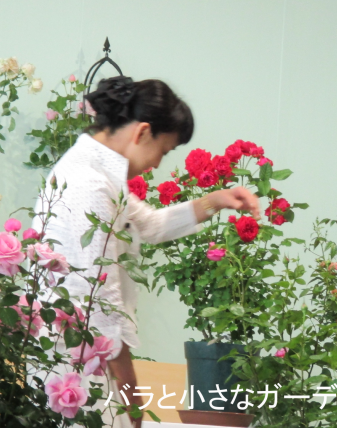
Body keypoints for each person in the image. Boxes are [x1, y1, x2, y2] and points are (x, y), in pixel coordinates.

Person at [32, 76, 260, 428]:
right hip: (78, 364)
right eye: (163, 151)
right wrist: (132, 399)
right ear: (142, 132)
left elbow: (150, 224)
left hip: (84, 357)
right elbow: (101, 307)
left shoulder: (95, 172)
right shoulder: (90, 184)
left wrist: (215, 201)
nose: (157, 164)